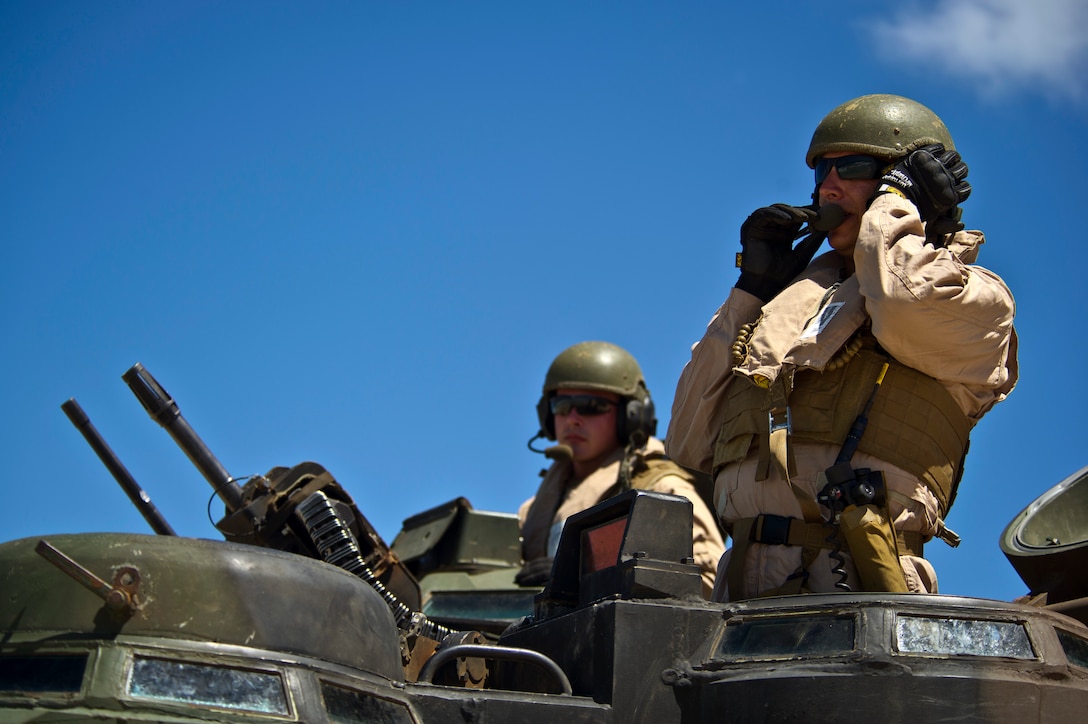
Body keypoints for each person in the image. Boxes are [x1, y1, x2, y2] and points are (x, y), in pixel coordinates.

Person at [666, 94, 1017, 601]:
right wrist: (752, 291)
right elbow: (688, 441)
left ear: (916, 181)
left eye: (851, 168)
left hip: (862, 582)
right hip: (741, 586)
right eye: (821, 172)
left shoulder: (976, 299)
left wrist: (898, 202)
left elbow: (899, 296)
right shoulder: (792, 305)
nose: (827, 187)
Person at [518, 340, 726, 597]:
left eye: (591, 407)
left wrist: (587, 580)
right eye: (561, 407)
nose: (572, 419)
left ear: (632, 415)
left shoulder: (661, 490)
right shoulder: (533, 511)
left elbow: (708, 583)